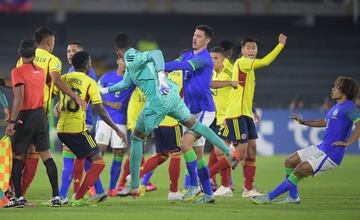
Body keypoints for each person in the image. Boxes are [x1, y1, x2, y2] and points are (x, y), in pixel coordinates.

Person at [101, 32, 236, 204]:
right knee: (194, 125)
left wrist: (161, 77)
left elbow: (156, 54)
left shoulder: (132, 55)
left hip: (158, 100)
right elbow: (126, 84)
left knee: (136, 138)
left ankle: (134, 185)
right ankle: (228, 152)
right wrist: (103, 91)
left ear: (117, 51)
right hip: (172, 96)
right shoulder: (131, 63)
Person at [251, 76, 360, 204]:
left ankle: (268, 197)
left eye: (336, 86)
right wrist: (304, 122)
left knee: (300, 170)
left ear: (343, 90)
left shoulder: (350, 107)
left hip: (332, 153)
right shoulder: (336, 107)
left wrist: (348, 142)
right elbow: (324, 122)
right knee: (290, 161)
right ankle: (293, 197)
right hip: (322, 147)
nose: (332, 89)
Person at [14, 26, 87, 198]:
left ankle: (13, 194)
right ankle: (23, 195)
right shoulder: (52, 60)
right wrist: (74, 97)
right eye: (53, 42)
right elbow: (56, 80)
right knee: (36, 155)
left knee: (19, 156)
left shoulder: (21, 60)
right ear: (49, 42)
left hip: (22, 114)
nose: (53, 45)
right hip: (39, 114)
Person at [211, 34, 287, 197]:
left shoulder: (248, 68)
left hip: (245, 115)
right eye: (248, 47)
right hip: (236, 114)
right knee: (239, 153)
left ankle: (248, 189)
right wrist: (280, 46)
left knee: (251, 151)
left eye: (254, 47)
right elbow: (266, 61)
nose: (252, 50)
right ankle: (207, 176)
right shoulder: (242, 62)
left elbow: (244, 94)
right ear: (243, 50)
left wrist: (252, 111)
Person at [55, 51, 126, 206]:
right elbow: (100, 110)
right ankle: (78, 197)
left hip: (61, 130)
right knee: (99, 162)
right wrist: (116, 129)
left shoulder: (64, 79)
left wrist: (55, 106)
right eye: (90, 62)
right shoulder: (89, 82)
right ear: (87, 65)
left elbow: (55, 91)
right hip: (77, 130)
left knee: (84, 158)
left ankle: (98, 191)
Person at [165, 25, 223, 201]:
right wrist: (161, 69)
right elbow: (174, 64)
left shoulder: (205, 59)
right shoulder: (187, 54)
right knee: (198, 157)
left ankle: (192, 185)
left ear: (207, 40)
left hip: (205, 110)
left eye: (198, 36)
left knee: (185, 144)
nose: (194, 38)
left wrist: (157, 62)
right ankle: (208, 194)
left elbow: (182, 65)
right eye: (194, 35)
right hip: (190, 111)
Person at [4, 39, 61, 208]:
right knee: (46, 156)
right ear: (34, 54)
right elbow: (25, 86)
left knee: (18, 157)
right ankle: (56, 196)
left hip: (25, 117)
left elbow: (20, 97)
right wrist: (4, 83)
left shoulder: (17, 71)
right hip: (41, 117)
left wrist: (12, 122)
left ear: (20, 54)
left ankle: (19, 197)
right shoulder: (40, 72)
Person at [58, 40, 106, 204]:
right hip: (77, 121)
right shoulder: (71, 71)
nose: (71, 54)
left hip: (81, 122)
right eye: (68, 51)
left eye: (74, 51)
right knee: (87, 160)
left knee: (69, 160)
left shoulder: (88, 73)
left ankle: (63, 196)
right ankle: (99, 190)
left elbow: (85, 96)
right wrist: (58, 104)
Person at [137, 69, 184, 200]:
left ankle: (136, 174)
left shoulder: (158, 82)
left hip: (159, 121)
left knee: (162, 155)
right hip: (172, 122)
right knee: (175, 154)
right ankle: (173, 192)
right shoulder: (181, 77)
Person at [96, 57, 135, 196]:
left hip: (122, 121)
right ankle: (95, 186)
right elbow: (95, 94)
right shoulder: (106, 77)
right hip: (104, 120)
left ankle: (112, 188)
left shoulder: (132, 79)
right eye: (123, 60)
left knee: (118, 153)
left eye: (128, 61)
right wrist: (110, 104)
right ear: (118, 61)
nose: (125, 63)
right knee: (98, 151)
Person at [208, 47, 237, 197]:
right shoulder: (212, 73)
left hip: (227, 118)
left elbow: (237, 94)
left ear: (223, 59)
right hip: (216, 118)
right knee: (218, 152)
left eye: (216, 58)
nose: (212, 61)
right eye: (211, 58)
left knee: (221, 151)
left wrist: (229, 116)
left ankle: (223, 184)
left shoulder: (229, 74)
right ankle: (225, 184)